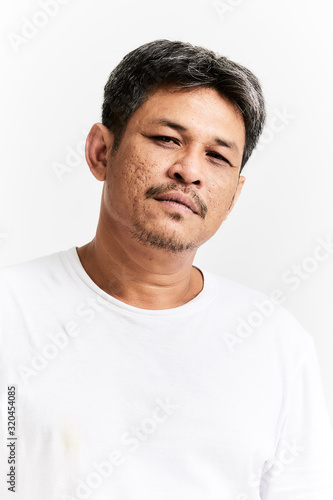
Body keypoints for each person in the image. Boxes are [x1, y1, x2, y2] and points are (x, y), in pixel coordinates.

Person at [0, 39, 332, 500]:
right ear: (100, 152)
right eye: (167, 139)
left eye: (217, 156)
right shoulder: (10, 311)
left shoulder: (276, 343)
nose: (190, 170)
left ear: (234, 196)